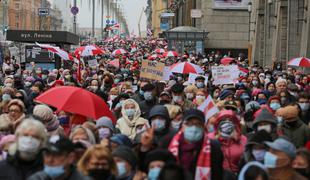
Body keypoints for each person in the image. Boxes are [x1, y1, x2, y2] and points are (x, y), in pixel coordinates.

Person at [168, 109, 223, 179]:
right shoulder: (170, 142)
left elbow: (217, 174)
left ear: (203, 127)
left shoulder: (213, 147)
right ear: (182, 126)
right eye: (189, 123)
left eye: (198, 124)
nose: (194, 128)